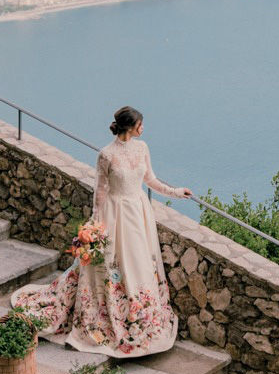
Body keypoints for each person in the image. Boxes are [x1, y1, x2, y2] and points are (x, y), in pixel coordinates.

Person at [10, 106, 192, 357]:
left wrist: (176, 192)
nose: (143, 128)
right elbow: (100, 193)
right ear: (130, 126)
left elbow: (150, 180)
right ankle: (109, 313)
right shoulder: (106, 155)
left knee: (138, 262)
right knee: (111, 264)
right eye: (141, 124)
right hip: (114, 214)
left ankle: (139, 315)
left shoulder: (143, 148)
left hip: (137, 213)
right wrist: (94, 228)